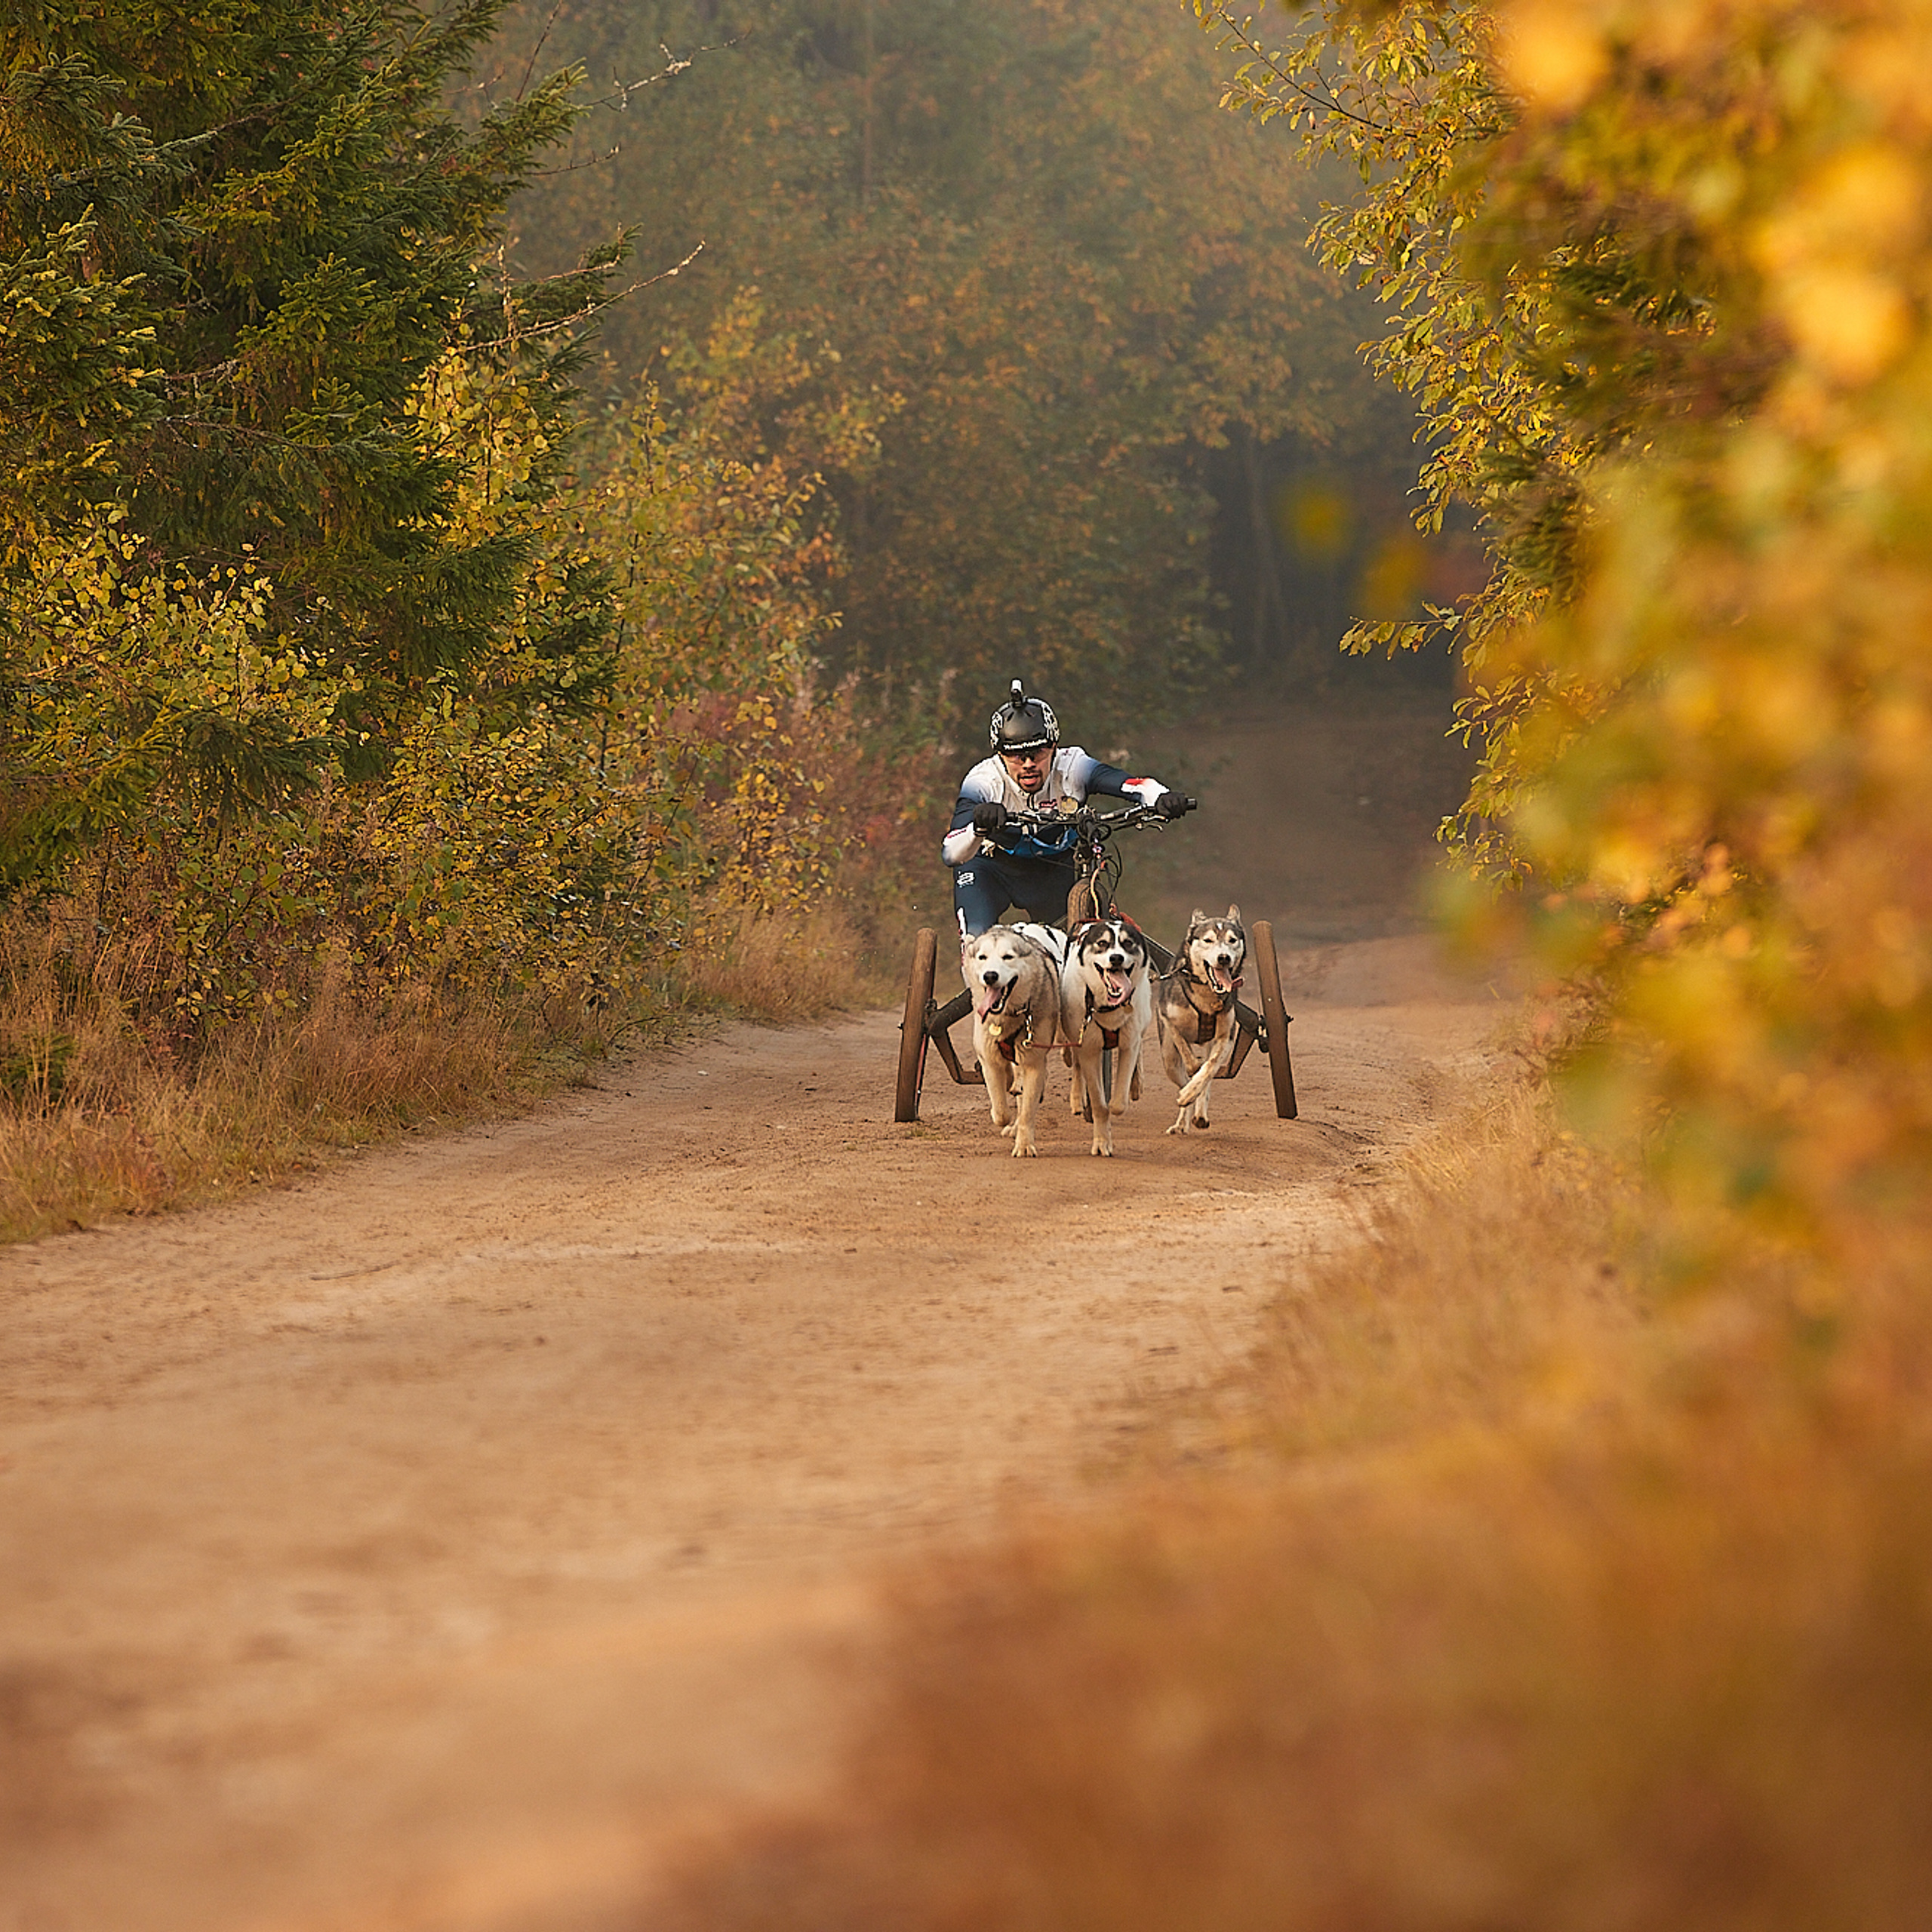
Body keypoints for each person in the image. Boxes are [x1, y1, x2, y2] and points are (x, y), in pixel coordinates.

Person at [943, 679, 1186, 937]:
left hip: (1055, 866)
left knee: (1085, 944)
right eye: (1016, 756)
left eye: (1038, 753)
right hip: (991, 868)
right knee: (976, 938)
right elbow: (951, 853)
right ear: (1000, 755)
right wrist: (978, 827)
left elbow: (1130, 784)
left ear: (1054, 748)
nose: (1028, 764)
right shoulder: (983, 781)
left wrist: (1161, 797)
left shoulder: (1073, 767)